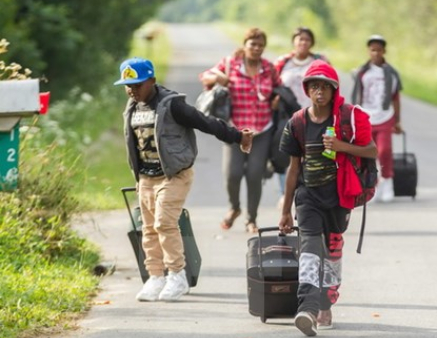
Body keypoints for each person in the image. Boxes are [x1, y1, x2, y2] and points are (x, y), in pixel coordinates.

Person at [114, 57, 254, 302]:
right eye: (128, 86)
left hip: (174, 175)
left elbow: (205, 122)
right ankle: (155, 277)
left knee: (164, 223)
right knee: (147, 229)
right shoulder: (133, 108)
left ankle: (177, 275)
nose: (132, 90)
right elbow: (134, 146)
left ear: (152, 81)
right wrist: (138, 177)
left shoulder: (171, 105)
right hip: (146, 177)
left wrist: (237, 137)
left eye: (137, 84)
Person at [278, 60, 377, 336]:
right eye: (314, 86)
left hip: (339, 196)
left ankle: (326, 304)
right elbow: (293, 169)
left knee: (332, 250)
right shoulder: (297, 122)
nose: (320, 91)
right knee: (309, 249)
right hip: (307, 197)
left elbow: (372, 151)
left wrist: (341, 147)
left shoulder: (345, 118)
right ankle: (307, 309)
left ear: (334, 91)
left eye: (325, 87)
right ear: (307, 90)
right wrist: (286, 210)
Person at [200, 27, 281, 233]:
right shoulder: (230, 64)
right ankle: (234, 208)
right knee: (232, 174)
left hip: (262, 129)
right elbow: (205, 77)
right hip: (235, 130)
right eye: (252, 44)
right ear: (244, 45)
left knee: (255, 175)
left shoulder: (269, 68)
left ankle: (251, 219)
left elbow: (280, 87)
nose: (256, 48)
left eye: (260, 45)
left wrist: (277, 99)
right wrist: (219, 78)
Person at [271, 27, 329, 207]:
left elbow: (331, 85)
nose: (303, 42)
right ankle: (285, 193)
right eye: (299, 39)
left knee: (314, 154)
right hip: (288, 116)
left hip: (315, 114)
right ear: (293, 41)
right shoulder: (282, 62)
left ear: (311, 43)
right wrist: (274, 100)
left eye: (307, 39)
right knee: (285, 155)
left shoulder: (320, 61)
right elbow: (271, 84)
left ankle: (312, 193)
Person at [350, 34, 403, 203]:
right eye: (373, 50)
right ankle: (371, 186)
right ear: (368, 51)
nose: (376, 53)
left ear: (384, 51)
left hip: (385, 115)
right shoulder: (362, 72)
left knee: (384, 150)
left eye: (379, 50)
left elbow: (395, 97)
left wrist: (397, 120)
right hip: (365, 116)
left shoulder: (391, 73)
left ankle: (387, 181)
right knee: (367, 154)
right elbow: (356, 95)